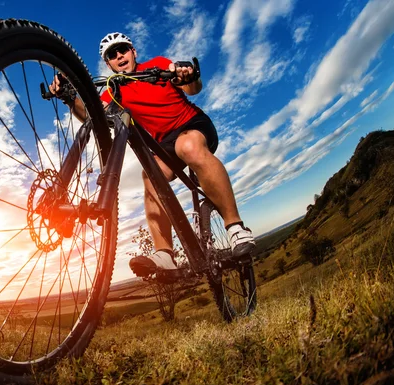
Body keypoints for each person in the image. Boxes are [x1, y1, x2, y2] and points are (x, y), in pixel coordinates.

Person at [49, 32, 255, 278]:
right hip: (164, 144)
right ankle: (165, 255)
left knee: (188, 146)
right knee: (150, 176)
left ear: (133, 51)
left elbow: (192, 88)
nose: (119, 56)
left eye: (122, 50)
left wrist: (187, 74)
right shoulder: (115, 89)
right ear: (108, 64)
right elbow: (94, 115)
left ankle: (235, 228)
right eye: (112, 55)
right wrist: (69, 98)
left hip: (192, 124)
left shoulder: (156, 65)